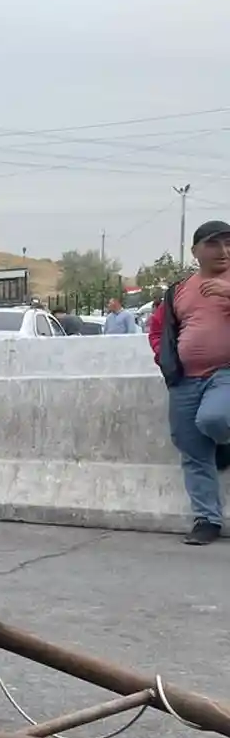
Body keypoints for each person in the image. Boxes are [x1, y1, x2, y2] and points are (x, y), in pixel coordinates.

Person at [148, 219, 230, 544]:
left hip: (225, 373)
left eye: (228, 243)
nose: (223, 251)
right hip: (184, 380)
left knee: (214, 418)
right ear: (196, 251)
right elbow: (158, 330)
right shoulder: (179, 290)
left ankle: (224, 443)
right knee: (192, 450)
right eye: (213, 244)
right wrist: (164, 357)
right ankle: (207, 520)